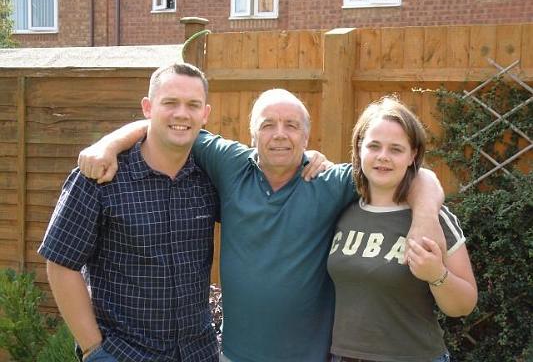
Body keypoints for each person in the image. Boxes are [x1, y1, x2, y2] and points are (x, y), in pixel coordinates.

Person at [78, 89, 446, 362]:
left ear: (307, 135)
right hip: (235, 356)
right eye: (268, 125)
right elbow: (167, 124)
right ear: (252, 135)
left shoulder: (333, 181)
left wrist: (424, 220)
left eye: (291, 126)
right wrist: (108, 144)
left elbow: (419, 175)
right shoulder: (230, 163)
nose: (280, 134)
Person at [38, 63, 220, 362]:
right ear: (148, 107)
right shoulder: (99, 176)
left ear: (205, 113)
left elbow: (268, 167)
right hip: (124, 354)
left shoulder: (211, 175)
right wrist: (93, 350)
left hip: (199, 353)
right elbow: (60, 264)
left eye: (192, 105)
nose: (181, 114)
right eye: (170, 103)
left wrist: (310, 160)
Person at [327, 96, 477, 362]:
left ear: (412, 155)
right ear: (359, 148)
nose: (383, 157)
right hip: (345, 356)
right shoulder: (341, 210)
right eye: (374, 146)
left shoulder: (434, 217)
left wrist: (437, 275)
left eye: (396, 149)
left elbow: (464, 304)